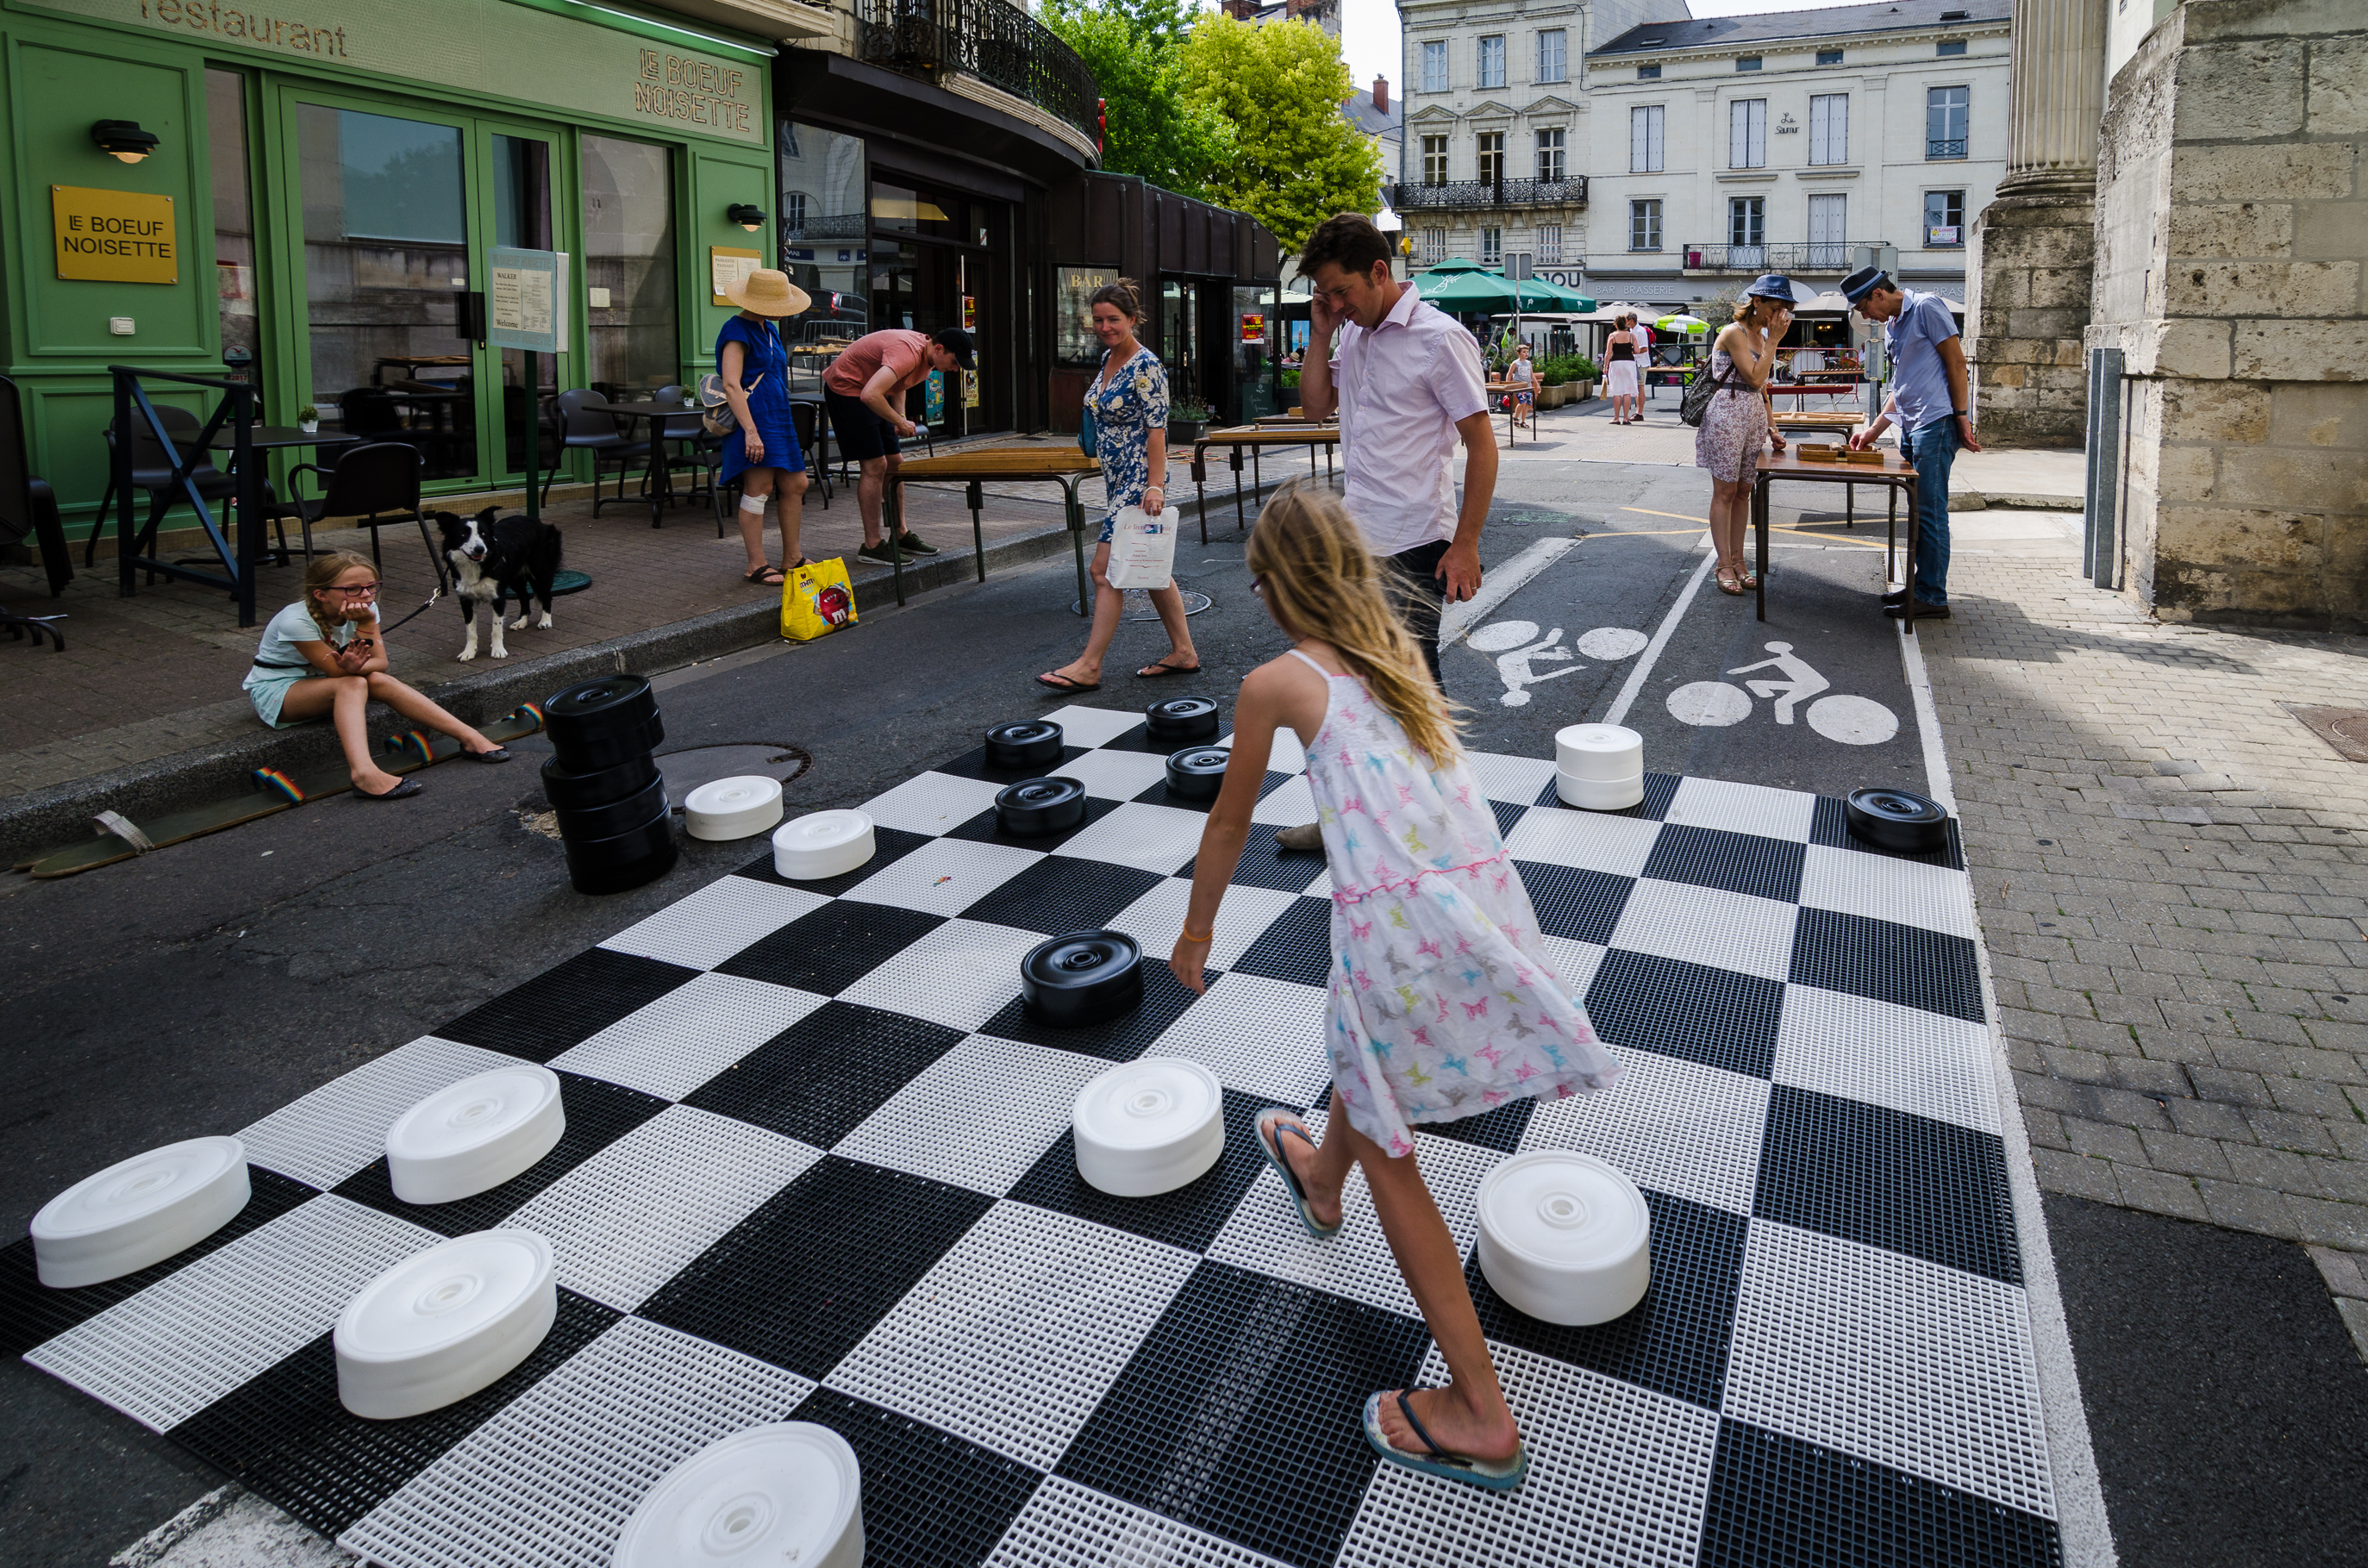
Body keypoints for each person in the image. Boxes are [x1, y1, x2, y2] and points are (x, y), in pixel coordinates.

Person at [1169, 482, 1621, 1491]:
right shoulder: (1397, 656)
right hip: (1469, 906)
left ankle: (1477, 1411)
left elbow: (1226, 825)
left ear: (1279, 585)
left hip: (1395, 936)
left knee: (1392, 1154)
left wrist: (1197, 928)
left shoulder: (1277, 684)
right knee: (1363, 1066)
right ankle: (1316, 1177)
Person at [1290, 213, 1496, 852]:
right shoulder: (1352, 331)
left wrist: (1464, 544)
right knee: (1349, 690)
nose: (1335, 303)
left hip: (1414, 541)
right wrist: (1321, 334)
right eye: (1325, 295)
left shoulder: (1440, 339)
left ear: (1379, 272)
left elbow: (1482, 447)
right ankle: (1352, 820)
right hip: (1355, 538)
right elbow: (1316, 408)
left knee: (1414, 692)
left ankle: (1446, 823)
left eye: (1340, 290)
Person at [1038, 278, 1199, 692]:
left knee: (1104, 570)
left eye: (1113, 319)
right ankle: (1183, 652)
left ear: (1132, 319)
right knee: (1148, 565)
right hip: (1117, 480)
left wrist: (1156, 486)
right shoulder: (1109, 360)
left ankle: (1089, 666)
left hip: (1138, 480)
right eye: (1098, 320)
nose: (1105, 326)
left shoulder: (1146, 366)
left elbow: (1157, 432)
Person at [244, 552, 510, 800]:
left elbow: (381, 664)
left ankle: (470, 737)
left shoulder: (365, 611)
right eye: (353, 589)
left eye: (372, 586)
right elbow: (338, 671)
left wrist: (367, 625)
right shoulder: (295, 621)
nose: (367, 595)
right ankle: (363, 774)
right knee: (353, 682)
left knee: (375, 681)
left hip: (328, 683)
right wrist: (355, 663)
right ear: (321, 594)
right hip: (280, 691)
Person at [1844, 267, 1982, 620]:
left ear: (1878, 294)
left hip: (1934, 423)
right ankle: (1923, 586)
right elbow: (1901, 385)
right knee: (1918, 512)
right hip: (1912, 425)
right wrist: (1874, 429)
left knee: (1931, 513)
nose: (1864, 316)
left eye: (1863, 307)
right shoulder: (1893, 326)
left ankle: (1933, 597)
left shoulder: (1926, 307)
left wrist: (1962, 416)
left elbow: (1956, 362)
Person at [821, 324, 975, 566]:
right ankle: (872, 545)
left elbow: (897, 383)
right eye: (955, 362)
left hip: (870, 389)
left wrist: (899, 415)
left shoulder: (928, 359)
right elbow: (870, 395)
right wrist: (899, 421)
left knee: (895, 463)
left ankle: (900, 534)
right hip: (847, 389)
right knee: (875, 465)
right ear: (940, 348)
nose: (955, 369)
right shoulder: (907, 352)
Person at [1695, 275, 1796, 597]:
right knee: (1724, 491)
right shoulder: (1733, 333)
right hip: (1727, 413)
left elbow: (1763, 389)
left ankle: (1739, 561)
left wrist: (1773, 428)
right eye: (1776, 308)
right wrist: (1774, 342)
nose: (1780, 316)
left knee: (1743, 491)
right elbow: (1753, 378)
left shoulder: (1760, 334)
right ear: (1757, 302)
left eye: (1785, 310)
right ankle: (1723, 564)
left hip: (1751, 415)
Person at [715, 268, 811, 587]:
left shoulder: (767, 328)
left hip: (777, 416)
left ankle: (792, 558)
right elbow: (731, 384)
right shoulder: (736, 329)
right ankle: (756, 564)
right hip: (754, 419)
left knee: (796, 484)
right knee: (759, 491)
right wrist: (751, 431)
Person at [1604, 315, 1642, 425]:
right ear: (1625, 324)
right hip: (1629, 363)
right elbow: (1637, 351)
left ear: (1616, 325)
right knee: (1627, 391)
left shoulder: (1612, 336)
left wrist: (1605, 366)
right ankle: (1626, 418)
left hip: (1615, 363)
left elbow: (1608, 353)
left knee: (1616, 391)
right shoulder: (1631, 336)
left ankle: (1616, 418)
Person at [1504, 342, 1535, 429]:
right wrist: (1508, 385)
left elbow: (1532, 375)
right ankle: (1515, 416)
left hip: (1528, 386)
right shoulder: (1515, 363)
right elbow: (1509, 374)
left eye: (1527, 352)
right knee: (1522, 402)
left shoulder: (1528, 363)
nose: (1526, 354)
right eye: (1524, 352)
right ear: (1518, 353)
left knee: (1527, 404)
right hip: (1519, 386)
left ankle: (1523, 421)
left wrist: (1536, 384)